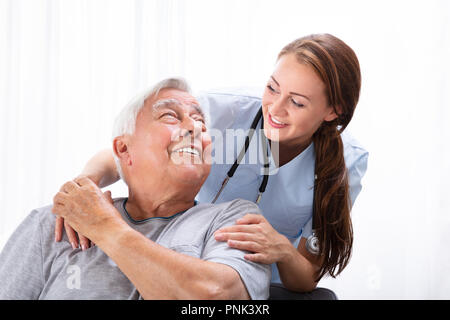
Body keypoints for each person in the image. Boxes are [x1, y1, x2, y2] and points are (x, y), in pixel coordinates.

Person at [55, 33, 368, 292]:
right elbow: (129, 154)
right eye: (272, 87)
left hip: (248, 284)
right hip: (176, 248)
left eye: (297, 102)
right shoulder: (220, 111)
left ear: (333, 112)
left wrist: (284, 252)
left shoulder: (347, 161)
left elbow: (307, 275)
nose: (275, 107)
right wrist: (84, 187)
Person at [0, 78, 271, 300]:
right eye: (170, 116)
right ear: (124, 149)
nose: (194, 128)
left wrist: (105, 227)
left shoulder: (233, 219)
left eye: (201, 122)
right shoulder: (56, 222)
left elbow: (217, 297)